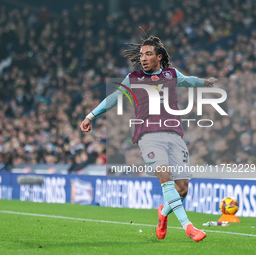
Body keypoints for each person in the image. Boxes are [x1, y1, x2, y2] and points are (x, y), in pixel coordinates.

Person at [80, 29, 217, 242]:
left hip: (174, 135)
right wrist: (90, 115)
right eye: (141, 55)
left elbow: (189, 81)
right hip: (148, 135)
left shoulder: (171, 74)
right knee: (165, 178)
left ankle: (163, 214)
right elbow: (115, 97)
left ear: (159, 57)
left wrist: (205, 82)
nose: (143, 58)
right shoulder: (133, 78)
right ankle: (188, 226)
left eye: (148, 54)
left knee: (182, 190)